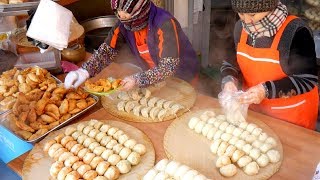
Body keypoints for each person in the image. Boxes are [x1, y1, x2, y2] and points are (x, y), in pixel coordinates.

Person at [220, 0, 319, 129]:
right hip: (255, 114)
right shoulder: (240, 27)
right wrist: (229, 80)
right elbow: (231, 62)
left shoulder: (296, 31)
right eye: (241, 14)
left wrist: (265, 90)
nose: (247, 21)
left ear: (269, 6)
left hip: (291, 118)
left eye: (253, 15)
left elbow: (307, 79)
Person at [64, 0, 199, 91]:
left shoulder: (164, 23)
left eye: (127, 14)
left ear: (140, 9)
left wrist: (139, 79)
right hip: (154, 80)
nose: (122, 17)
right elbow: (107, 51)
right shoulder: (123, 25)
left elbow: (168, 67)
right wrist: (84, 71)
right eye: (118, 13)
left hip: (182, 78)